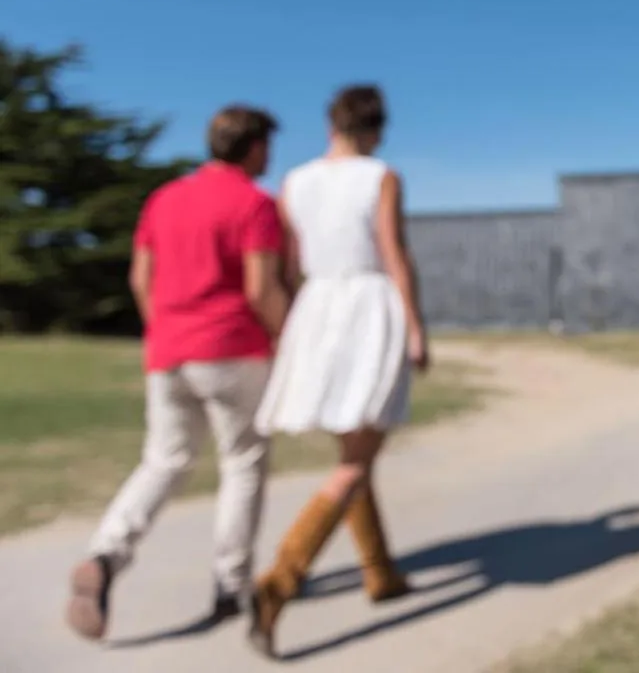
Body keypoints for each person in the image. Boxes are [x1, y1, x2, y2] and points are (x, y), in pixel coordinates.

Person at [66, 106, 290, 641]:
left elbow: (140, 276)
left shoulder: (164, 199)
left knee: (163, 461)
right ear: (254, 147)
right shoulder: (256, 204)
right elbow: (261, 289)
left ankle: (105, 555)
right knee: (243, 464)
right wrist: (286, 339)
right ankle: (230, 585)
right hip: (232, 349)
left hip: (168, 349)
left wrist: (164, 329)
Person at [246, 83, 429, 658]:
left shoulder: (294, 182)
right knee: (356, 460)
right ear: (375, 130)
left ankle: (380, 572)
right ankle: (279, 580)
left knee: (355, 451)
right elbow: (393, 254)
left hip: (317, 312)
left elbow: (291, 262)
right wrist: (416, 327)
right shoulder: (381, 176)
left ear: (330, 125)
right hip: (367, 311)